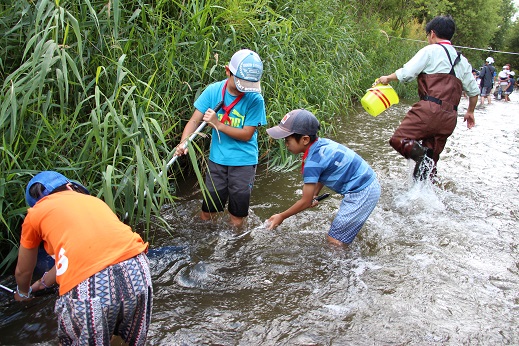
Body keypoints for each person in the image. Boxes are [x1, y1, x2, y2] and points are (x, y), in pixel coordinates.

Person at [14, 171, 152, 345]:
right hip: (137, 269)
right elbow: (78, 257)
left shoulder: (35, 214)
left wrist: (23, 292)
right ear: (71, 187)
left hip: (92, 286)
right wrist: (42, 284)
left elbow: (23, 271)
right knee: (126, 340)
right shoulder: (94, 201)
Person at [375, 15, 480, 181]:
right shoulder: (463, 61)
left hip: (429, 110)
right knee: (429, 167)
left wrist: (387, 78)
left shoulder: (430, 51)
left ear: (432, 34)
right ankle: (425, 195)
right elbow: (474, 92)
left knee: (399, 139)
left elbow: (407, 73)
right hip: (449, 117)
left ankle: (423, 156)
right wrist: (470, 112)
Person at [175, 49, 266, 228]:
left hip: (243, 162)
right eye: (241, 83)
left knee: (236, 214)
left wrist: (219, 124)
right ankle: (206, 241)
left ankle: (235, 245)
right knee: (208, 209)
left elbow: (247, 134)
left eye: (249, 84)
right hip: (217, 161)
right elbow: (194, 120)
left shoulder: (255, 99)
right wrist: (184, 141)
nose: (244, 89)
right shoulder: (213, 91)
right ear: (227, 71)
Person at [265, 109, 381, 246]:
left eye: (287, 139)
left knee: (334, 241)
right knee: (338, 235)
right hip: (368, 184)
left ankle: (343, 266)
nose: (285, 144)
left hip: (361, 192)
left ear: (305, 139)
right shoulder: (322, 144)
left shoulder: (312, 163)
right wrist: (314, 194)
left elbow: (305, 201)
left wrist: (282, 216)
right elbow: (323, 172)